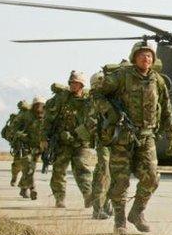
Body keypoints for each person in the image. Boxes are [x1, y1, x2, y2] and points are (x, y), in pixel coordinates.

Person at [91, 42, 172, 235]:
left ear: (153, 60)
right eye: (141, 55)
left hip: (147, 137)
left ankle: (137, 213)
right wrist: (111, 113)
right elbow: (97, 94)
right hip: (122, 137)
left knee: (152, 178)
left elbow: (167, 108)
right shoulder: (121, 77)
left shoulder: (158, 81)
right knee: (120, 181)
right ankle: (119, 221)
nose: (145, 59)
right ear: (134, 57)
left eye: (149, 56)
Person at [44, 71, 94, 208]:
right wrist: (44, 137)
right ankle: (59, 198)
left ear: (82, 84)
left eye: (76, 82)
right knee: (59, 170)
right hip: (63, 141)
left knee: (83, 170)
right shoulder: (62, 98)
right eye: (71, 82)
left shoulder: (90, 99)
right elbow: (48, 119)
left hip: (82, 142)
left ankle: (88, 196)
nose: (73, 85)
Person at [86, 70, 115, 220]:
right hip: (103, 141)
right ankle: (97, 208)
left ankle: (106, 204)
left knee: (111, 173)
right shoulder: (94, 100)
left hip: (114, 140)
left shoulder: (110, 98)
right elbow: (90, 122)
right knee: (104, 172)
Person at [14, 97, 47, 200]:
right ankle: (33, 189)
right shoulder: (25, 115)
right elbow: (14, 129)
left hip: (39, 147)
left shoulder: (47, 116)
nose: (39, 107)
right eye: (37, 104)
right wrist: (22, 135)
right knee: (29, 167)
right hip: (25, 146)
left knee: (30, 169)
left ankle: (23, 189)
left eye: (41, 104)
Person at [1, 101, 29, 187]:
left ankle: (22, 183)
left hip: (28, 143)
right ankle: (14, 177)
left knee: (28, 165)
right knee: (17, 163)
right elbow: (13, 130)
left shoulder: (32, 116)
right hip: (19, 143)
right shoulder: (18, 117)